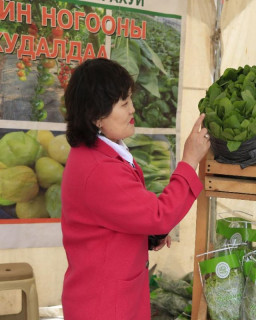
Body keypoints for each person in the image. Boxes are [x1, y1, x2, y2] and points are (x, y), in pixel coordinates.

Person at [60, 58, 210, 320]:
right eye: (124, 103)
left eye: (130, 99)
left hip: (108, 298)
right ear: (96, 116)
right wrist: (189, 160)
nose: (133, 109)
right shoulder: (99, 169)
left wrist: (146, 236)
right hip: (105, 307)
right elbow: (159, 215)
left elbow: (113, 218)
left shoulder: (97, 152)